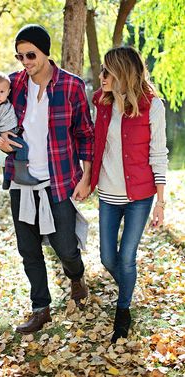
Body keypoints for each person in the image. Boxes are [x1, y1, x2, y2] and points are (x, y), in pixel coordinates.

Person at [0, 24, 94, 334]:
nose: (25, 61)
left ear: (45, 51)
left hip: (59, 180)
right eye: (20, 55)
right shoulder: (11, 84)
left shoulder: (71, 86)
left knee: (65, 247)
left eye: (31, 54)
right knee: (28, 249)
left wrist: (86, 178)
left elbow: (85, 136)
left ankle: (76, 276)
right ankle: (41, 308)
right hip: (22, 180)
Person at [91, 46, 168, 343]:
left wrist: (161, 202)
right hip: (108, 194)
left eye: (107, 71)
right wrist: (87, 178)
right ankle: (129, 289)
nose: (102, 77)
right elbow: (96, 145)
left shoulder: (153, 106)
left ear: (123, 72)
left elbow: (158, 154)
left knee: (126, 258)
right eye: (101, 71)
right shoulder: (101, 101)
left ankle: (123, 312)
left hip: (139, 196)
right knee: (107, 257)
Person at [0, 71, 40, 189]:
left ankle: (7, 178)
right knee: (23, 148)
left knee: (13, 155)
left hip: (13, 132)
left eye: (1, 92)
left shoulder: (2, 102)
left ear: (8, 92)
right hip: (6, 137)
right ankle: (21, 176)